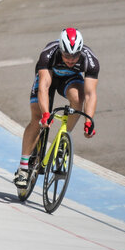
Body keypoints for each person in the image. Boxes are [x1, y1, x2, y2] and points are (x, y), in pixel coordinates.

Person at [14, 28, 99, 187]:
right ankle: (23, 168)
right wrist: (46, 114)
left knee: (78, 98)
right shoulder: (48, 54)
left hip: (70, 80)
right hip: (49, 79)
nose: (71, 60)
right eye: (67, 55)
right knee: (37, 118)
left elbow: (90, 94)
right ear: (60, 49)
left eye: (75, 55)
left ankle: (64, 138)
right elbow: (44, 87)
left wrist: (89, 121)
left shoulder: (90, 60)